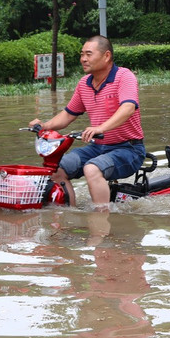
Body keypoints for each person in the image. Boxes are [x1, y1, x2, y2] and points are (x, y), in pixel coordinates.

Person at [29, 36, 145, 209]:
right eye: (82, 54)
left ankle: (101, 221)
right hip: (97, 147)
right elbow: (68, 115)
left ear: (106, 56)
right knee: (56, 169)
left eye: (88, 54)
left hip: (129, 148)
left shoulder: (124, 76)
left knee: (91, 168)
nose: (83, 59)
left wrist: (101, 128)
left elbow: (128, 108)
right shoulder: (84, 84)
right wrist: (44, 126)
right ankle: (70, 214)